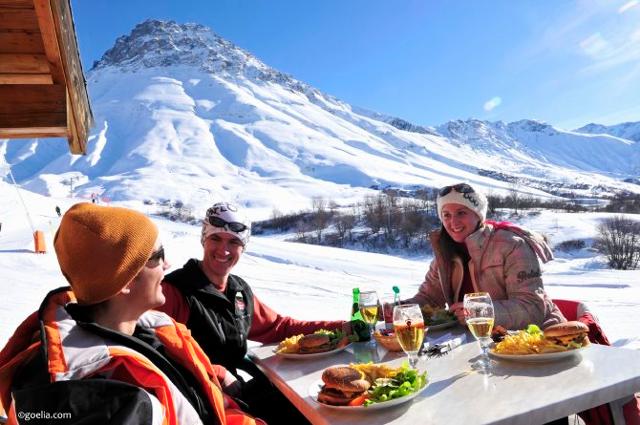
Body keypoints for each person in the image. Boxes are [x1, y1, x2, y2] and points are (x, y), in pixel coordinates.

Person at [0, 203, 265, 425]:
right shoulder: (114, 398)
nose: (167, 264)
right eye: (158, 256)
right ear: (126, 280)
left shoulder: (148, 331)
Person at [159, 201, 351, 423]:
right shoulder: (174, 291)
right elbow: (159, 355)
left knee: (320, 405)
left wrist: (342, 327)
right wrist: (217, 372)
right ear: (204, 239)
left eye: (234, 242)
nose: (224, 250)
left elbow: (279, 328)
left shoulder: (238, 291)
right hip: (202, 405)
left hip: (236, 394)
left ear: (243, 247)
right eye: (216, 239)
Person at [404, 183, 565, 330]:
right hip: (478, 340)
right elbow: (430, 298)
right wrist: (400, 309)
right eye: (446, 215)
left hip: (540, 339)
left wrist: (480, 311)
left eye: (461, 213)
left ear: (478, 216)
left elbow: (531, 309)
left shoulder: (511, 245)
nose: (454, 222)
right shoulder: (445, 251)